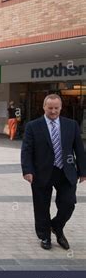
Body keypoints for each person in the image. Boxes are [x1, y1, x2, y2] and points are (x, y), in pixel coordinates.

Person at [21, 94, 86, 251]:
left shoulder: (71, 125)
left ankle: (56, 226)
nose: (53, 111)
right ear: (44, 107)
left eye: (56, 108)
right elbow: (26, 150)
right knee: (42, 206)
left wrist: (83, 171)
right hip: (41, 172)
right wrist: (27, 170)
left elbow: (79, 148)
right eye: (50, 108)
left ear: (61, 107)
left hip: (66, 172)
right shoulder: (33, 126)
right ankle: (45, 236)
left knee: (68, 204)